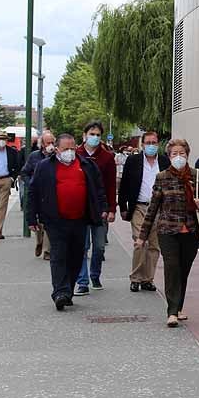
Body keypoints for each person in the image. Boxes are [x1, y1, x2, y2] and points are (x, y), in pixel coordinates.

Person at [26, 133, 107, 311]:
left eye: (72, 148)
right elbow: (33, 192)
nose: (69, 152)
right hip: (55, 220)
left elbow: (98, 189)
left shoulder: (86, 165)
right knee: (59, 255)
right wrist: (31, 218)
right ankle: (60, 292)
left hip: (80, 219)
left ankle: (68, 289)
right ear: (57, 149)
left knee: (76, 256)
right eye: (65, 149)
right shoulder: (44, 167)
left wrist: (102, 208)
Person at [134, 138, 199, 327]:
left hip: (190, 230)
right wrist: (142, 236)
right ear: (169, 156)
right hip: (167, 230)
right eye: (174, 154)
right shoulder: (162, 177)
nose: (178, 157)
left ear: (187, 155)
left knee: (184, 269)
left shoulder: (195, 175)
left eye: (181, 153)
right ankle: (172, 311)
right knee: (171, 267)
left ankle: (179, 306)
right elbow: (153, 208)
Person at [118, 132, 169, 293]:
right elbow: (124, 184)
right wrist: (123, 207)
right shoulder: (133, 161)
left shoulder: (164, 161)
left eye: (154, 142)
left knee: (154, 245)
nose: (151, 146)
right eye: (148, 143)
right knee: (140, 242)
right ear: (142, 144)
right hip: (139, 207)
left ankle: (148, 279)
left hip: (159, 208)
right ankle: (136, 278)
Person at [74, 121, 118, 296]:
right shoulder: (76, 155)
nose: (95, 137)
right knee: (82, 246)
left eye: (98, 134)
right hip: (81, 209)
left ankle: (95, 275)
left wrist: (112, 208)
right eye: (91, 134)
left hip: (100, 209)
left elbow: (110, 185)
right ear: (84, 135)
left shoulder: (107, 157)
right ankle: (82, 281)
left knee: (99, 246)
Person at [21, 131, 57, 259]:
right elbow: (24, 172)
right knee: (39, 224)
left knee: (49, 223)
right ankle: (39, 242)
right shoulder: (34, 156)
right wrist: (30, 183)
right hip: (38, 194)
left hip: (51, 195)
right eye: (48, 143)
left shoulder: (57, 157)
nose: (51, 145)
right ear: (42, 144)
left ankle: (47, 251)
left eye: (53, 142)